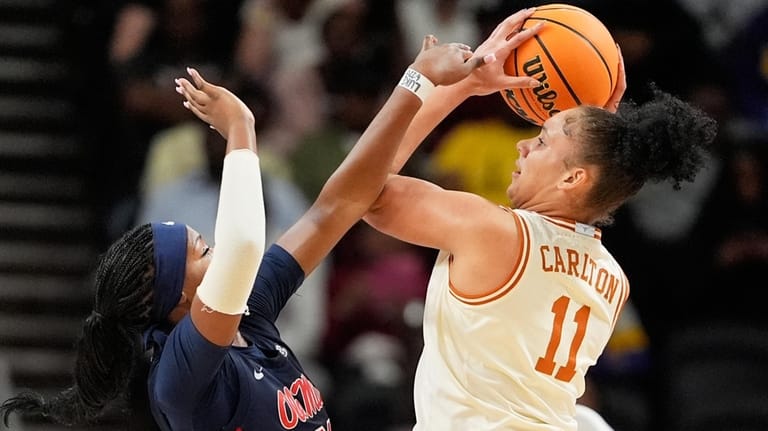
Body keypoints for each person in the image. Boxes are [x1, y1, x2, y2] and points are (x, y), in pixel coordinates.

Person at [0, 20, 543, 429]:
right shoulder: (181, 376)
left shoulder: (250, 314)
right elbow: (240, 246)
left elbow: (340, 204)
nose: (214, 248)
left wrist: (441, 89)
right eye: (200, 251)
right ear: (174, 302)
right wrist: (241, 129)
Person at [362, 10, 719, 431]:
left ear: (573, 177)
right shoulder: (613, 279)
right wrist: (600, 136)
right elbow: (595, 169)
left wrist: (461, 87)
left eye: (543, 140)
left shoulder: (491, 232)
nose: (523, 145)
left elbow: (365, 190)